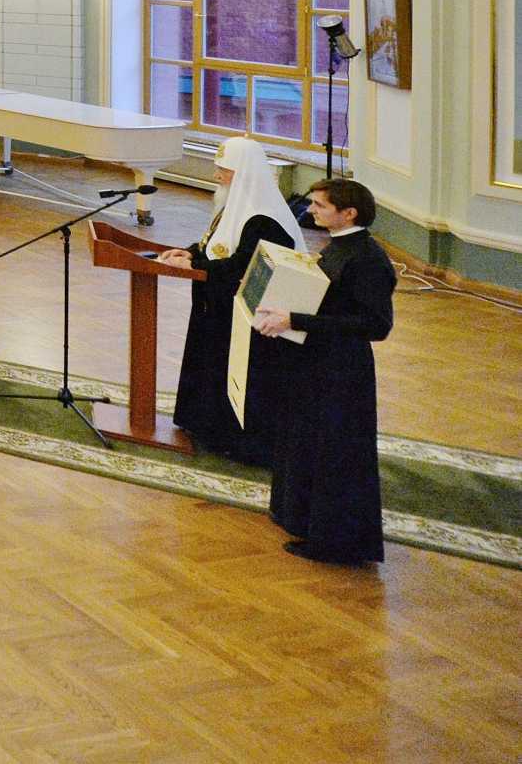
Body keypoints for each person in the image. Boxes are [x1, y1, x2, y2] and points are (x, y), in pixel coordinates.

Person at [256, 178, 396, 565]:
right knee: (309, 441)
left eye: (319, 205)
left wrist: (294, 319)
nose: (311, 210)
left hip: (341, 370)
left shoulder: (367, 259)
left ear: (348, 213)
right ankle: (303, 519)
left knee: (336, 453)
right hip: (316, 361)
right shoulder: (340, 245)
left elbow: (375, 325)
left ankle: (335, 542)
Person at [154, 136, 301, 463]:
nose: (218, 176)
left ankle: (235, 440)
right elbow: (215, 243)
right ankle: (204, 425)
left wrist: (195, 265)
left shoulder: (264, 218)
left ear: (245, 174)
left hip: (244, 314)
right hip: (216, 307)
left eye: (225, 171)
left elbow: (245, 264)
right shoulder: (234, 206)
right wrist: (190, 252)